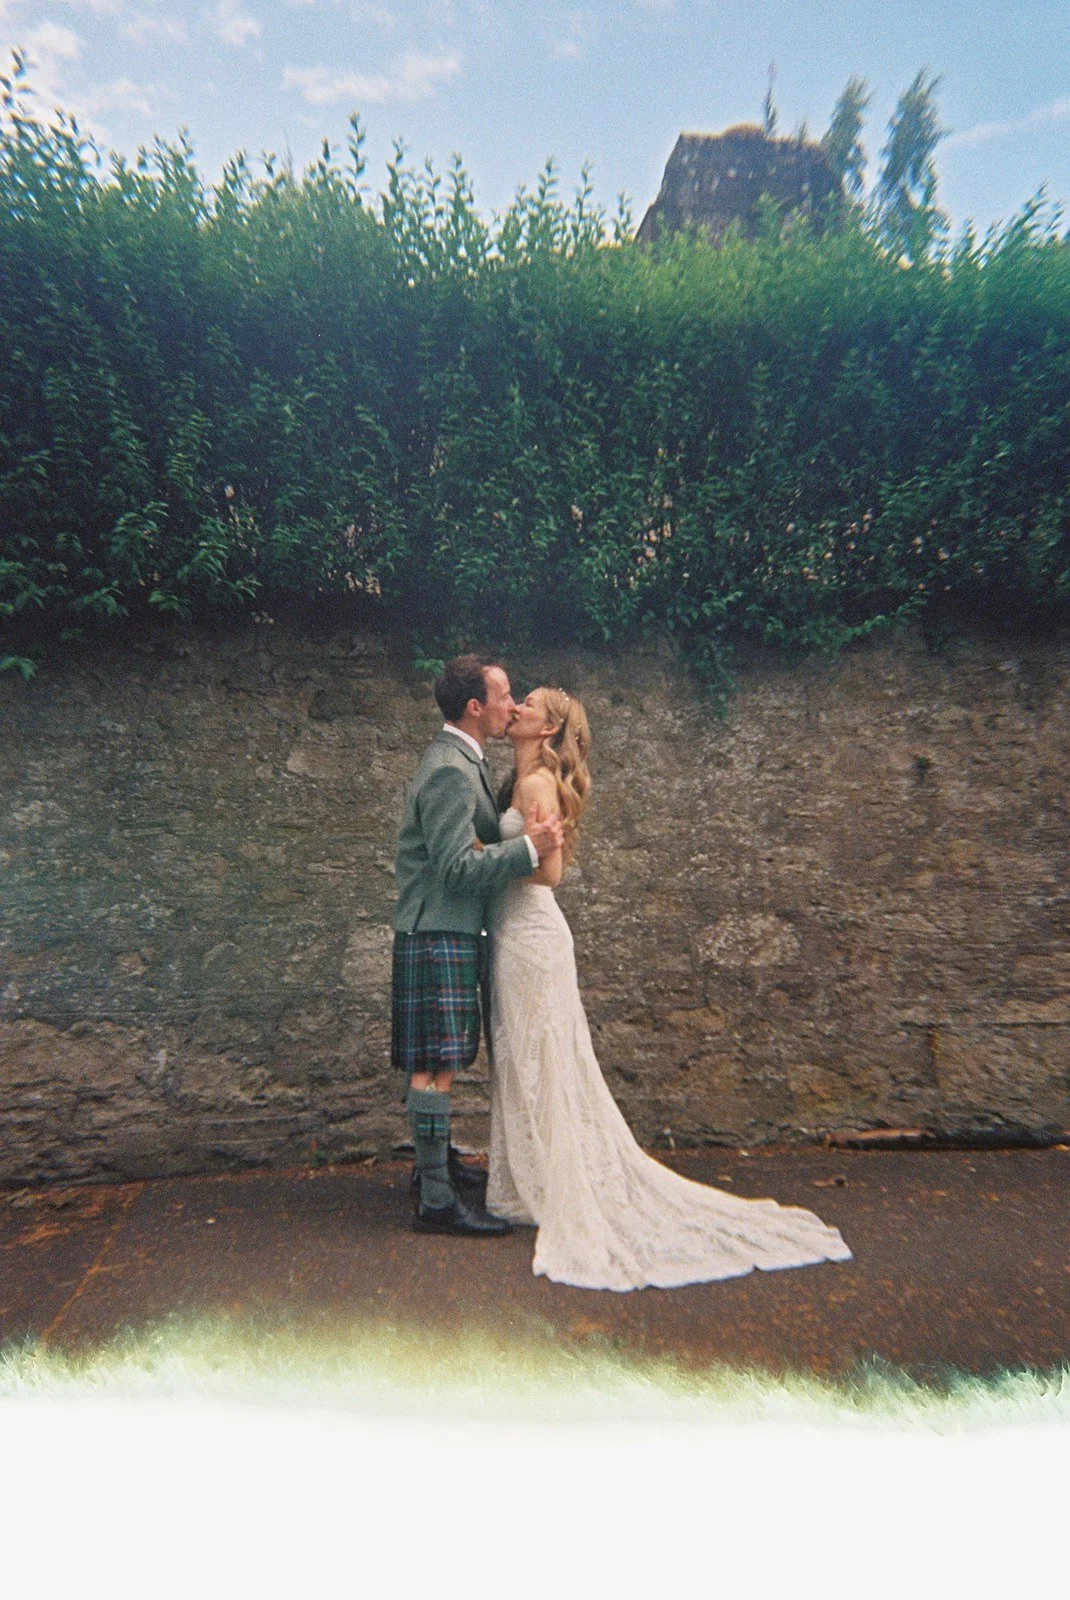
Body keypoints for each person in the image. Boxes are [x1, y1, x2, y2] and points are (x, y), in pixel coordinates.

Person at [486, 686, 853, 1291]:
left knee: (546, 1058)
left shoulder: (536, 788)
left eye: (529, 704)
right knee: (526, 1057)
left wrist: (497, 851)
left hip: (532, 939)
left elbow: (548, 874)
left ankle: (562, 1187)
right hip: (512, 938)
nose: (517, 708)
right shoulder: (515, 784)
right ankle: (540, 1183)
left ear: (548, 730)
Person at [392, 653, 564, 1236]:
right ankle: (435, 1200)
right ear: (475, 706)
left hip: (450, 929)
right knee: (433, 1066)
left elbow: (477, 841)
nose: (511, 706)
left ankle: (433, 1170)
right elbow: (455, 869)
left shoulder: (462, 761)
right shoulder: (448, 768)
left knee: (442, 1062)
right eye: (504, 695)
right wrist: (528, 850)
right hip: (436, 927)